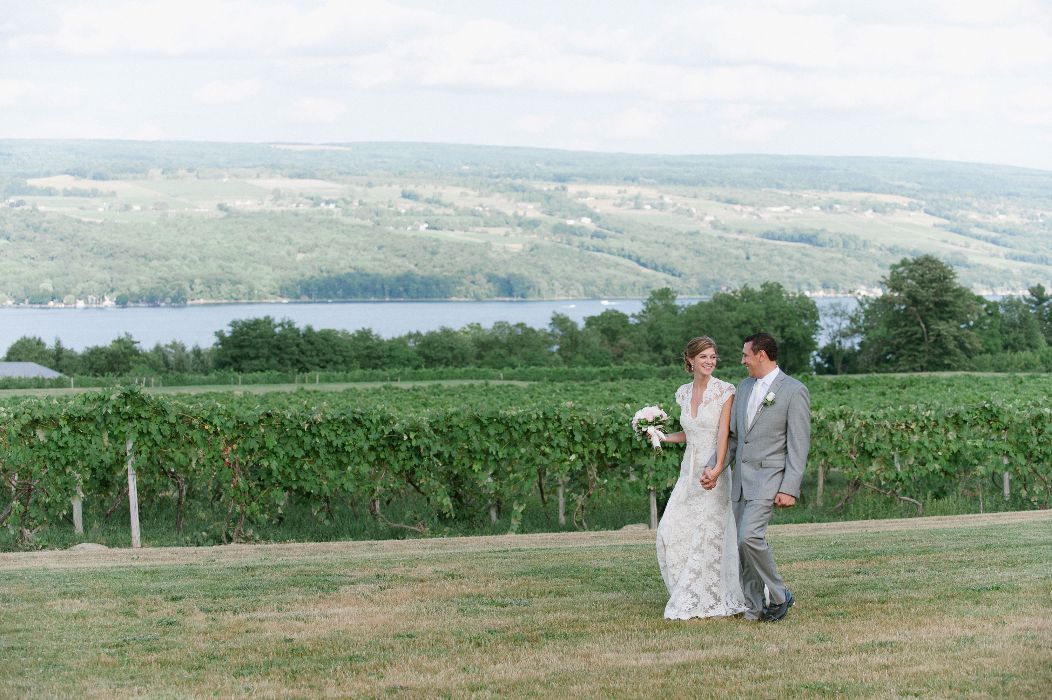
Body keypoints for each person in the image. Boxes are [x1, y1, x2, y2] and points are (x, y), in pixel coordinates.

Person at [702, 332, 810, 622]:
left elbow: (798, 445)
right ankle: (754, 608)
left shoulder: (794, 390)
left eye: (745, 355)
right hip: (741, 481)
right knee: (742, 546)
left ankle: (779, 594)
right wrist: (714, 468)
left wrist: (790, 488)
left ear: (761, 354)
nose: (742, 361)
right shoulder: (744, 387)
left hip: (769, 478)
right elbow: (734, 438)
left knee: (750, 536)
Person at [655, 337, 750, 620]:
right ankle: (689, 591)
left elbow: (723, 434)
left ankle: (711, 598)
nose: (709, 362)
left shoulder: (724, 391)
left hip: (713, 471)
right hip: (689, 472)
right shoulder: (683, 393)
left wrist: (717, 468)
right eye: (703, 357)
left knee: (709, 535)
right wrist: (663, 437)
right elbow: (691, 433)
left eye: (713, 357)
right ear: (690, 360)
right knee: (670, 530)